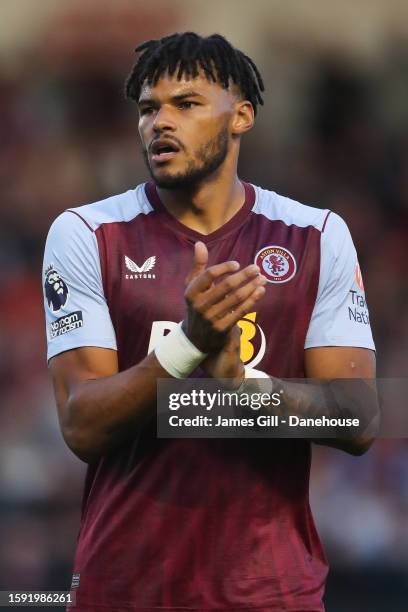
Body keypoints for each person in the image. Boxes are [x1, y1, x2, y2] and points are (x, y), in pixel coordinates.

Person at [42, 32, 377, 611]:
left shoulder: (316, 235)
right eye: (148, 108)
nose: (160, 123)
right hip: (125, 590)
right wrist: (187, 347)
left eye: (186, 104)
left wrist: (241, 389)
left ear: (241, 116)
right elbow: (81, 426)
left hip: (271, 592)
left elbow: (360, 418)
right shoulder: (87, 233)